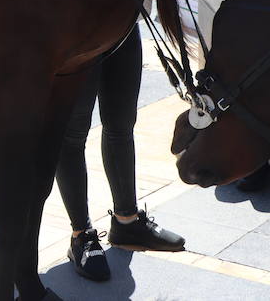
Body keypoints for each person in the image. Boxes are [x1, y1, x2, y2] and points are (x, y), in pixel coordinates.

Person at [56, 26, 184, 281]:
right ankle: (81, 235)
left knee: (121, 126)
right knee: (72, 136)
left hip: (122, 22)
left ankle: (127, 222)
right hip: (77, 25)